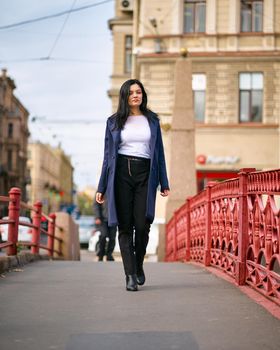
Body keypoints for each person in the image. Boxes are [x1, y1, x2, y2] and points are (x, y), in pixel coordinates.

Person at [96, 79, 170, 292]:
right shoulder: (113, 122)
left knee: (143, 224)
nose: (136, 95)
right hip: (121, 174)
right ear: (125, 96)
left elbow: (160, 155)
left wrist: (164, 182)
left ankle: (138, 265)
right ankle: (129, 274)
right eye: (131, 92)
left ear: (143, 95)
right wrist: (101, 187)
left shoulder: (152, 120)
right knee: (125, 226)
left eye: (139, 92)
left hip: (146, 174)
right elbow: (107, 157)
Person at [93, 193, 116, 262]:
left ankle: (109, 254)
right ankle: (101, 254)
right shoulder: (102, 189)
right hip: (102, 219)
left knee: (112, 237)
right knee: (103, 235)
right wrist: (97, 217)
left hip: (113, 218)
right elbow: (96, 204)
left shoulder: (116, 188)